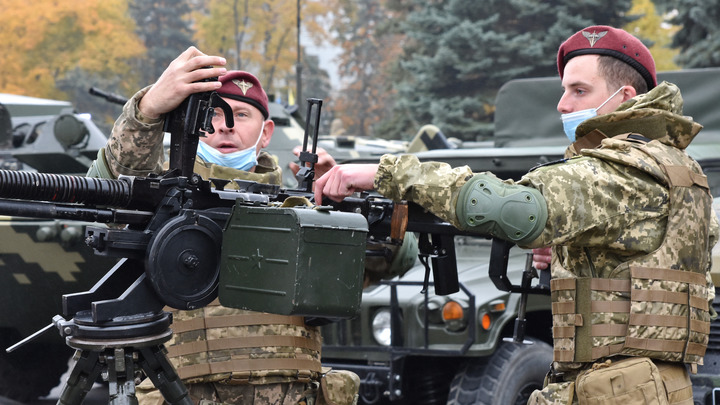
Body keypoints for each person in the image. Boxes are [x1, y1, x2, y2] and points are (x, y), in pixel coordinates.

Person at [313, 25, 719, 404]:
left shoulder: (621, 169)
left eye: (579, 90)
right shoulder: (678, 169)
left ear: (625, 97)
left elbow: (512, 210)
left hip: (619, 386)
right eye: (565, 90)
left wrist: (387, 172)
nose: (562, 104)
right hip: (649, 382)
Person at [87, 46, 359, 405]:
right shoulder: (161, 197)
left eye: (241, 115)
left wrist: (341, 202)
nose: (226, 125)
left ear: (266, 133)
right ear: (190, 125)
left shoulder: (302, 205)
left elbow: (389, 259)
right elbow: (109, 191)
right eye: (213, 114)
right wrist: (148, 110)